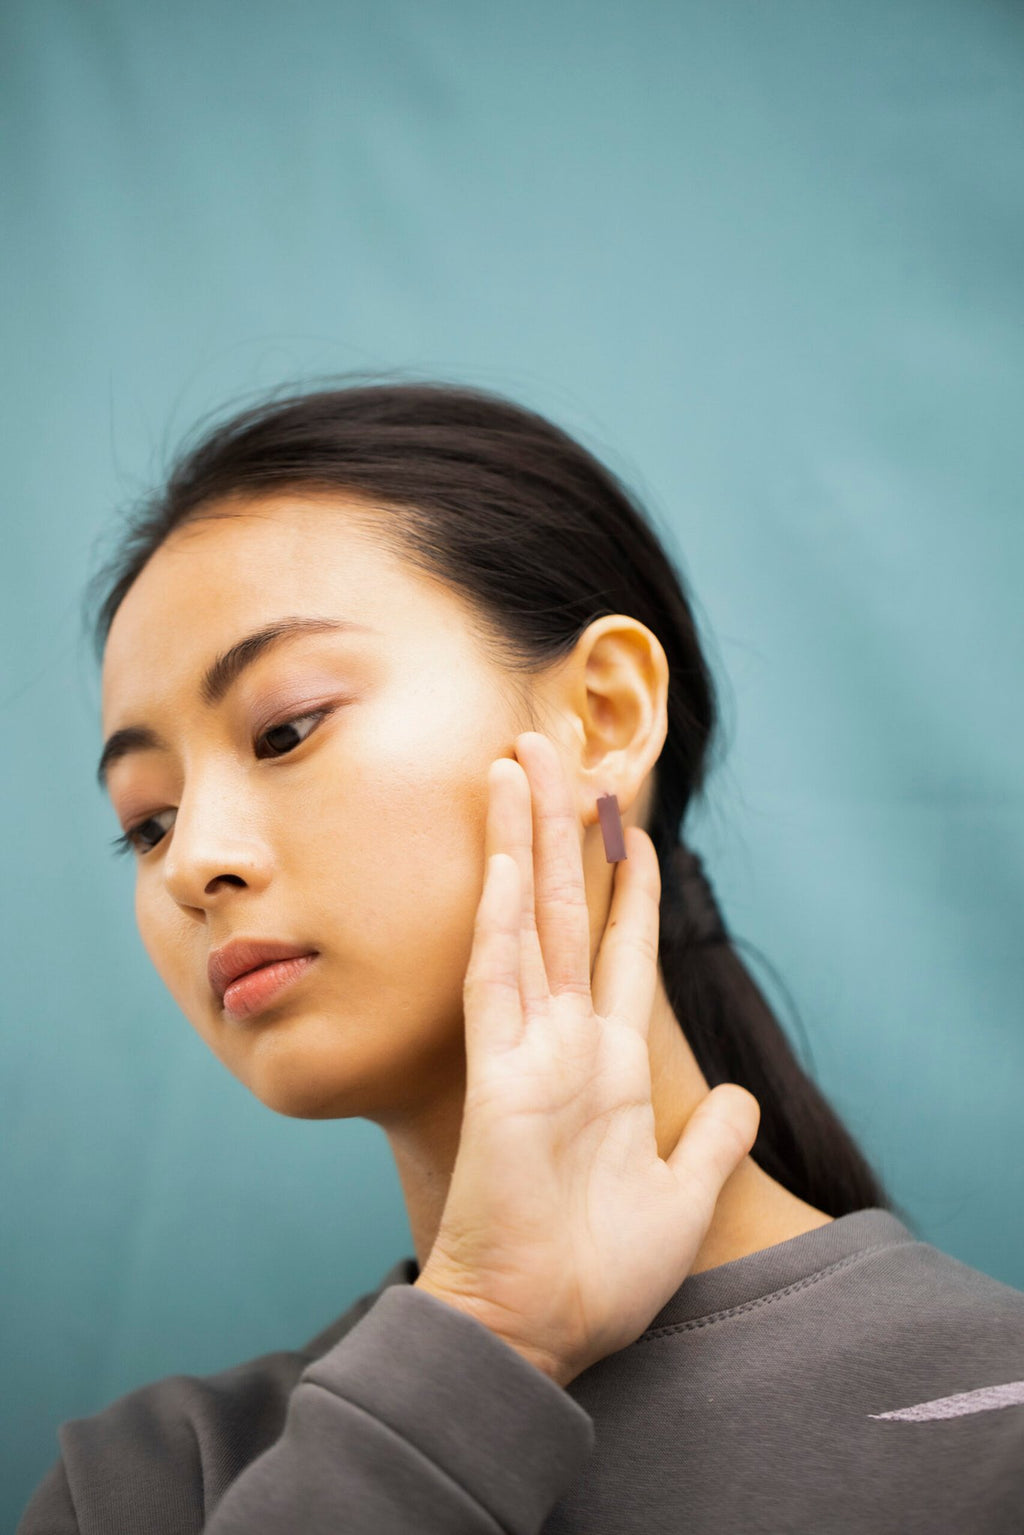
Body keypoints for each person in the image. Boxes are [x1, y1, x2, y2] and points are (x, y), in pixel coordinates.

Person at [18, 380, 1024, 1533]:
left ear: (601, 713)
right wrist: (484, 1339)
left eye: (285, 727)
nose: (192, 861)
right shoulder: (146, 1483)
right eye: (145, 819)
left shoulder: (992, 1414)